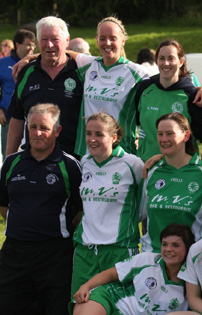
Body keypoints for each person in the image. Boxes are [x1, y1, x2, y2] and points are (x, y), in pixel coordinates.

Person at [0, 103, 82, 314]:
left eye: (44, 128)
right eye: (33, 126)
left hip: (54, 255)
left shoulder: (70, 166)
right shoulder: (11, 163)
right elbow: (3, 204)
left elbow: (80, 210)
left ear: (57, 131)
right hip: (15, 254)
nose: (37, 133)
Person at [72, 113, 144, 295]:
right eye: (88, 133)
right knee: (81, 305)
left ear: (114, 137)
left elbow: (143, 207)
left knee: (119, 308)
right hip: (85, 251)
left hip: (119, 251)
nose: (92, 139)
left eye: (99, 134)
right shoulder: (84, 162)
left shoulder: (132, 164)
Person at [71, 223, 195, 315]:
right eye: (164, 244)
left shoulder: (194, 276)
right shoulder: (147, 259)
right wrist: (86, 287)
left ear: (188, 247)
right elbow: (110, 274)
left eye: (176, 245)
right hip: (113, 300)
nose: (168, 249)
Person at [73, 16, 151, 157]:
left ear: (123, 41)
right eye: (102, 38)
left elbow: (167, 87)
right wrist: (28, 59)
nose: (107, 43)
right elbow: (60, 53)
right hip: (86, 154)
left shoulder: (137, 73)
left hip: (121, 155)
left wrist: (199, 90)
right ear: (97, 40)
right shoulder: (88, 65)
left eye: (113, 38)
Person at [7, 16, 83, 158]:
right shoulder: (26, 73)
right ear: (37, 42)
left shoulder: (82, 72)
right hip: (33, 162)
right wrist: (8, 160)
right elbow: (17, 118)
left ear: (67, 40)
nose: (49, 45)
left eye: (55, 39)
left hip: (74, 162)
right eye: (44, 39)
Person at [140, 112, 202, 253]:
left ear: (186, 136)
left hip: (192, 261)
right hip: (153, 258)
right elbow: (138, 214)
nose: (164, 139)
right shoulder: (151, 172)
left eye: (170, 134)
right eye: (160, 134)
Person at [131, 39, 202, 162]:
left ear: (181, 62)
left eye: (171, 58)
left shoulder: (192, 95)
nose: (166, 63)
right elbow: (136, 122)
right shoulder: (144, 89)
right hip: (147, 165)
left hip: (180, 169)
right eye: (161, 58)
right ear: (156, 61)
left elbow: (200, 136)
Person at [0, 29, 35, 161]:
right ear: (17, 44)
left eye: (33, 45)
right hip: (9, 119)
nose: (31, 48)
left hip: (33, 120)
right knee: (9, 157)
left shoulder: (36, 63)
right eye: (27, 44)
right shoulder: (3, 63)